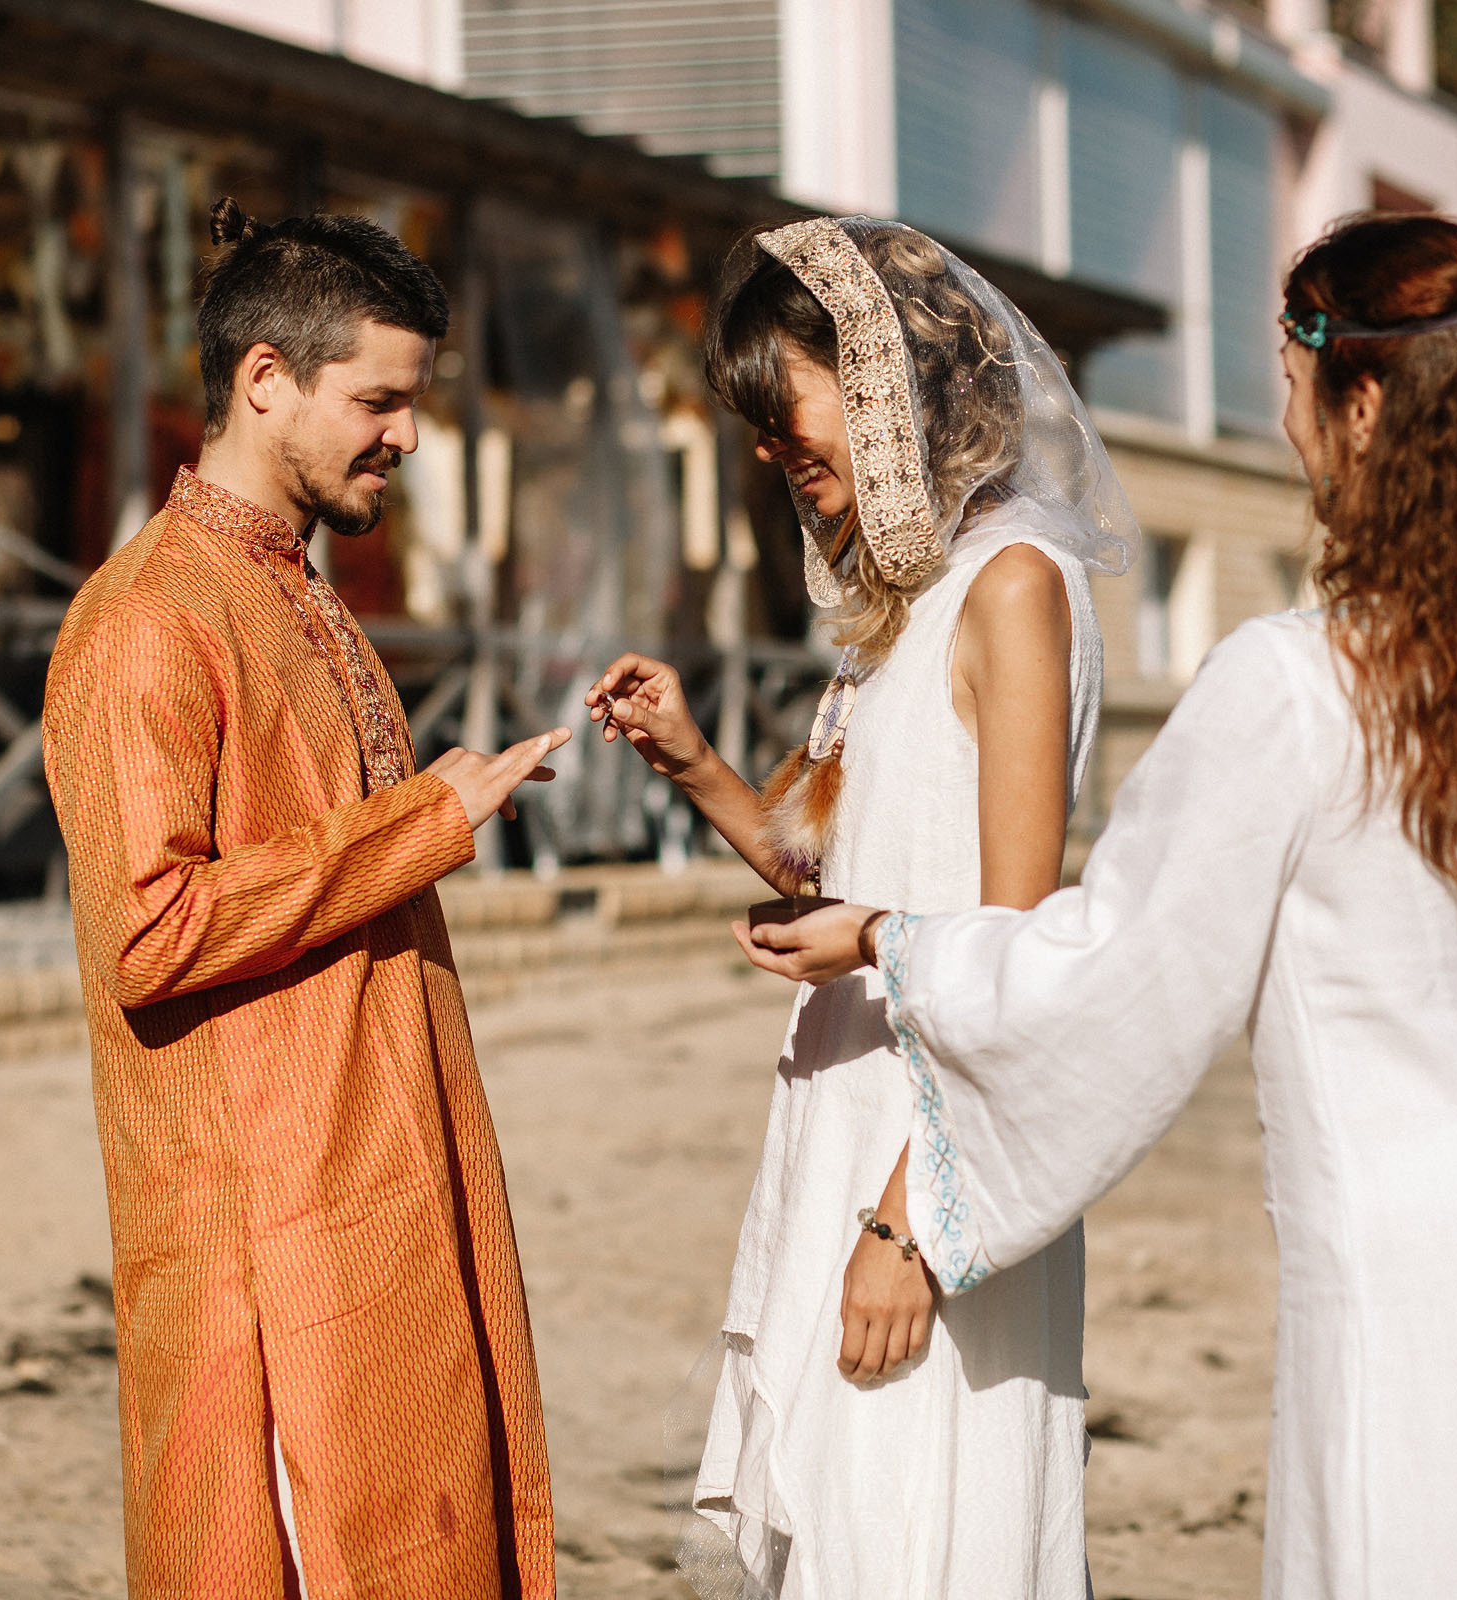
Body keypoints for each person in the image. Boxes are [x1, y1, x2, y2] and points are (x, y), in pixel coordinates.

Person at [738, 213, 1457, 1600]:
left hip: (1406, 1296)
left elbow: (1111, 983)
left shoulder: (1289, 686)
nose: (1282, 424)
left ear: (1358, 402)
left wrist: (891, 940)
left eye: (1289, 386)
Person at [583, 216, 1133, 1598]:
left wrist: (909, 1226)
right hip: (851, 1120)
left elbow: (1009, 947)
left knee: (911, 1524)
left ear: (893, 382)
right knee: (850, 1529)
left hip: (931, 1147)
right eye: (758, 435)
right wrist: (693, 758)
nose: (777, 458)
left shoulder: (1012, 587)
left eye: (790, 417)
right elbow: (832, 868)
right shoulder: (917, 591)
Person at [44, 199, 568, 1600]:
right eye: (378, 401)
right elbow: (149, 936)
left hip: (378, 1183)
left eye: (413, 402)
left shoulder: (293, 589)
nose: (404, 435)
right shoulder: (147, 617)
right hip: (257, 1243)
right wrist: (424, 822)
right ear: (265, 381)